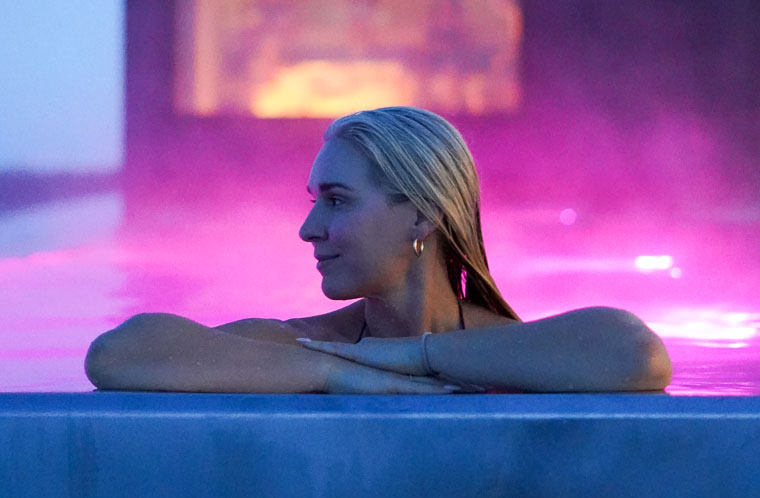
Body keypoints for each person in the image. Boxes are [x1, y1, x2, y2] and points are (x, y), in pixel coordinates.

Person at [85, 107, 673, 394]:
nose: (308, 228)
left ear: (421, 213)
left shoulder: (513, 353)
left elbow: (636, 352)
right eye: (315, 201)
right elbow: (116, 353)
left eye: (337, 201)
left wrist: (413, 357)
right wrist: (328, 372)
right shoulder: (315, 348)